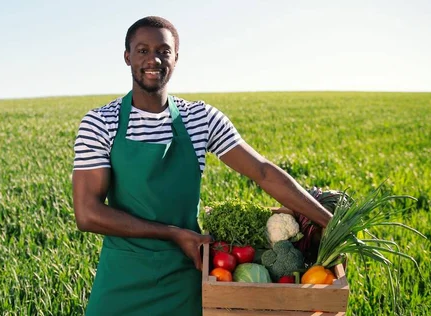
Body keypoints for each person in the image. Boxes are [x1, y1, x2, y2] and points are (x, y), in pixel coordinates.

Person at [72, 16, 333, 316]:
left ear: (176, 58)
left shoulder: (201, 119)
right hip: (122, 276)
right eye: (142, 50)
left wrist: (330, 221)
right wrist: (173, 233)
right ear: (127, 56)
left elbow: (263, 171)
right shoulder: (100, 122)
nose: (153, 59)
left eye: (163, 50)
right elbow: (88, 214)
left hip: (184, 274)